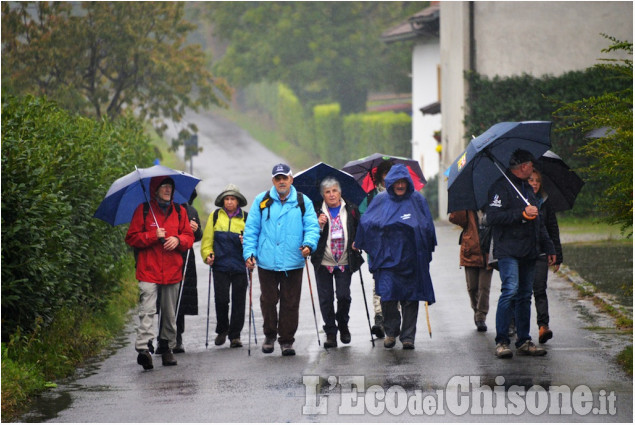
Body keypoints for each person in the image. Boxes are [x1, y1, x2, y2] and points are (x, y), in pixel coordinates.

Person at [355, 164, 437, 350]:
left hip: (411, 259)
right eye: (397, 182)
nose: (400, 185)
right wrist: (360, 241)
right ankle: (391, 332)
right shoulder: (381, 200)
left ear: (408, 182)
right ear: (390, 182)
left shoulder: (417, 200)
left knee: (411, 298)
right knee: (388, 297)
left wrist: (420, 237)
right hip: (387, 259)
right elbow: (367, 222)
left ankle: (408, 336)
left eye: (403, 182)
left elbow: (427, 227)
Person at [242, 163, 320, 356]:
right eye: (278, 178)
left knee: (290, 302)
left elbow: (311, 226)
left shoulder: (303, 201)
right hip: (267, 261)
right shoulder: (261, 200)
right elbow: (251, 230)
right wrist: (249, 254)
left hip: (294, 259)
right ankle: (269, 335)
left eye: (285, 178)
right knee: (268, 300)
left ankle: (286, 340)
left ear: (291, 179)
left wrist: (309, 244)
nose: (282, 181)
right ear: (273, 181)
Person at [486, 149, 556, 359]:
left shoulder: (528, 189)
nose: (532, 170)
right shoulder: (499, 188)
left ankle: (524, 340)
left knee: (525, 295)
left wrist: (549, 247)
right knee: (510, 290)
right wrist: (521, 214)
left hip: (530, 250)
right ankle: (501, 341)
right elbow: (493, 217)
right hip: (508, 250)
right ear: (523, 166)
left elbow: (539, 222)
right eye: (531, 166)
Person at [125, 176, 194, 369]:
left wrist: (178, 240)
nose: (167, 189)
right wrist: (151, 236)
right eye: (163, 186)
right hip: (148, 269)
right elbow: (131, 238)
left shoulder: (180, 211)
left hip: (172, 270)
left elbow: (189, 236)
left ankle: (166, 347)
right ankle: (144, 349)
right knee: (147, 310)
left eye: (169, 186)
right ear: (155, 190)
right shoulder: (144, 210)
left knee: (170, 313)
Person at [311, 177, 364, 348]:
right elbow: (308, 234)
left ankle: (343, 324)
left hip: (344, 261)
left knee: (343, 296)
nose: (332, 194)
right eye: (327, 192)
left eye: (334, 191)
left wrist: (358, 242)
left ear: (340, 192)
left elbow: (359, 229)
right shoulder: (315, 211)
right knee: (325, 299)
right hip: (323, 261)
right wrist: (317, 225)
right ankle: (331, 333)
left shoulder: (351, 209)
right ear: (323, 195)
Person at [200, 184, 249, 348]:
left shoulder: (246, 218)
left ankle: (235, 336)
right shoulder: (215, 216)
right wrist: (208, 255)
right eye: (227, 199)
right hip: (220, 266)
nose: (229, 202)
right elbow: (207, 241)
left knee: (238, 301)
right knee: (221, 300)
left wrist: (247, 244)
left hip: (240, 267)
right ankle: (222, 329)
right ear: (223, 201)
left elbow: (253, 242)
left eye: (232, 199)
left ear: (238, 201)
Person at [156, 189, 203, 355]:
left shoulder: (190, 211)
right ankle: (161, 337)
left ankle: (177, 337)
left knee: (180, 300)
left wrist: (195, 229)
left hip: (185, 259)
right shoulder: (161, 210)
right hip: (164, 258)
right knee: (162, 299)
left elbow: (197, 236)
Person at [358, 159, 393, 339]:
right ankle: (379, 319)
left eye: (391, 173)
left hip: (397, 249)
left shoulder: (402, 196)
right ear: (380, 177)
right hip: (377, 249)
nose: (388, 178)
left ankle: (393, 318)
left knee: (396, 283)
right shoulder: (369, 197)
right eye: (385, 174)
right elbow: (363, 221)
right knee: (378, 284)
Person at [528, 168, 563, 343]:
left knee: (540, 290)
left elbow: (552, 229)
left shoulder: (545, 202)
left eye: (537, 181)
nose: (534, 183)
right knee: (520, 292)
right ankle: (516, 327)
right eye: (531, 180)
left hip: (541, 252)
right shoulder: (519, 200)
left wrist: (556, 253)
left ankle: (543, 326)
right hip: (522, 253)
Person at [448, 209, 494, 332]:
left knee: (484, 287)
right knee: (472, 287)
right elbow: (454, 218)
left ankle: (481, 316)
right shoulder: (467, 207)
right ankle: (476, 310)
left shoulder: (492, 205)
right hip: (470, 251)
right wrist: (461, 205)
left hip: (487, 252)